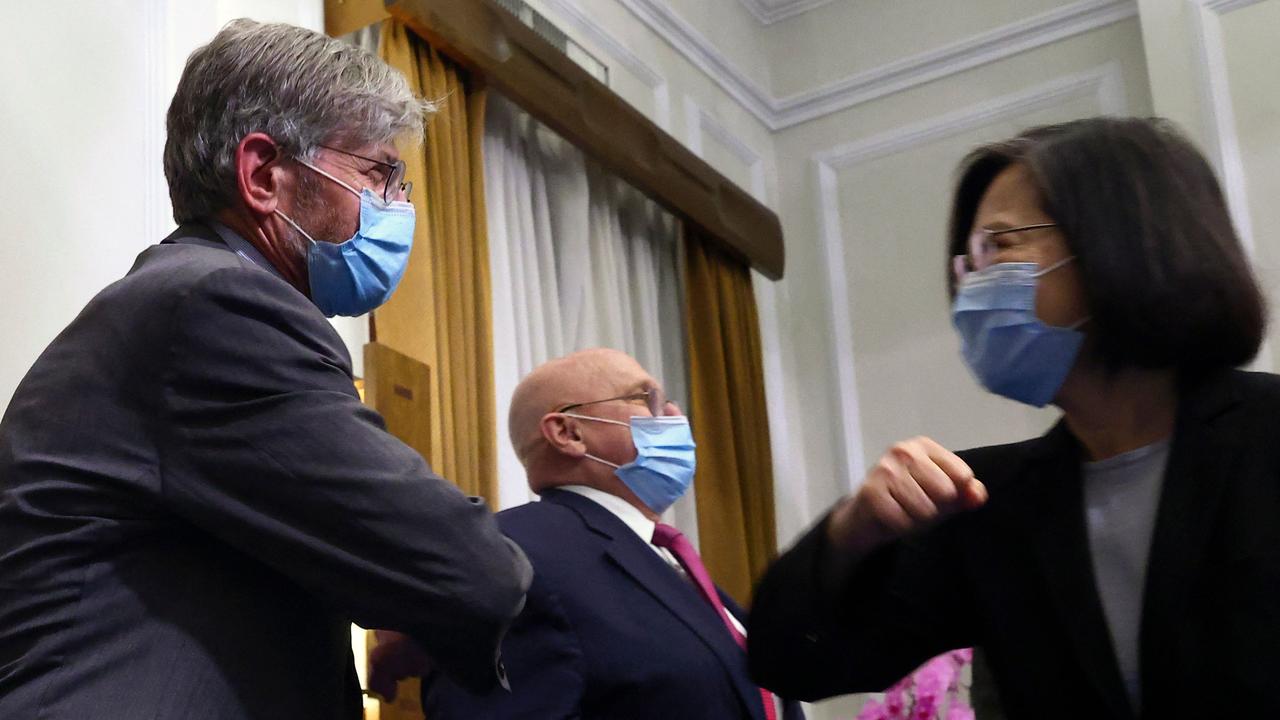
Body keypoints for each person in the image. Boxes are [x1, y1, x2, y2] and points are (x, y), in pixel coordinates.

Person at [0, 20, 531, 720]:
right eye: (379, 174)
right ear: (262, 176)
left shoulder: (178, 301)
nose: (400, 208)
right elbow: (469, 568)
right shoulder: (220, 307)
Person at [747, 117, 1280, 720]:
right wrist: (852, 532)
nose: (971, 284)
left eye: (997, 246)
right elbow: (789, 660)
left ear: (1119, 244)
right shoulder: (988, 503)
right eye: (966, 262)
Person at [374, 348, 803, 719]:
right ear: (568, 432)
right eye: (646, 399)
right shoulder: (515, 554)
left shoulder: (667, 561)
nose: (674, 415)